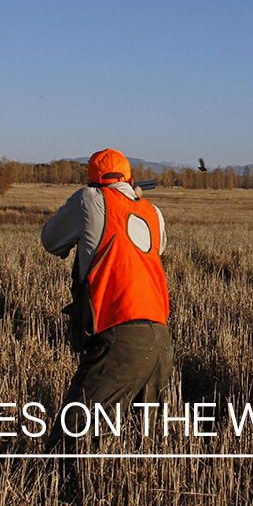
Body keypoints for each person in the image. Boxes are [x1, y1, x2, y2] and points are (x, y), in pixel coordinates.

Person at [41, 148, 173, 450]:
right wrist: (134, 201)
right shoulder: (152, 212)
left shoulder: (89, 199)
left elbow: (50, 239)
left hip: (120, 336)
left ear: (92, 179)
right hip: (160, 341)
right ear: (128, 177)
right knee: (136, 447)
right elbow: (156, 247)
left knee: (67, 440)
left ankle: (56, 488)